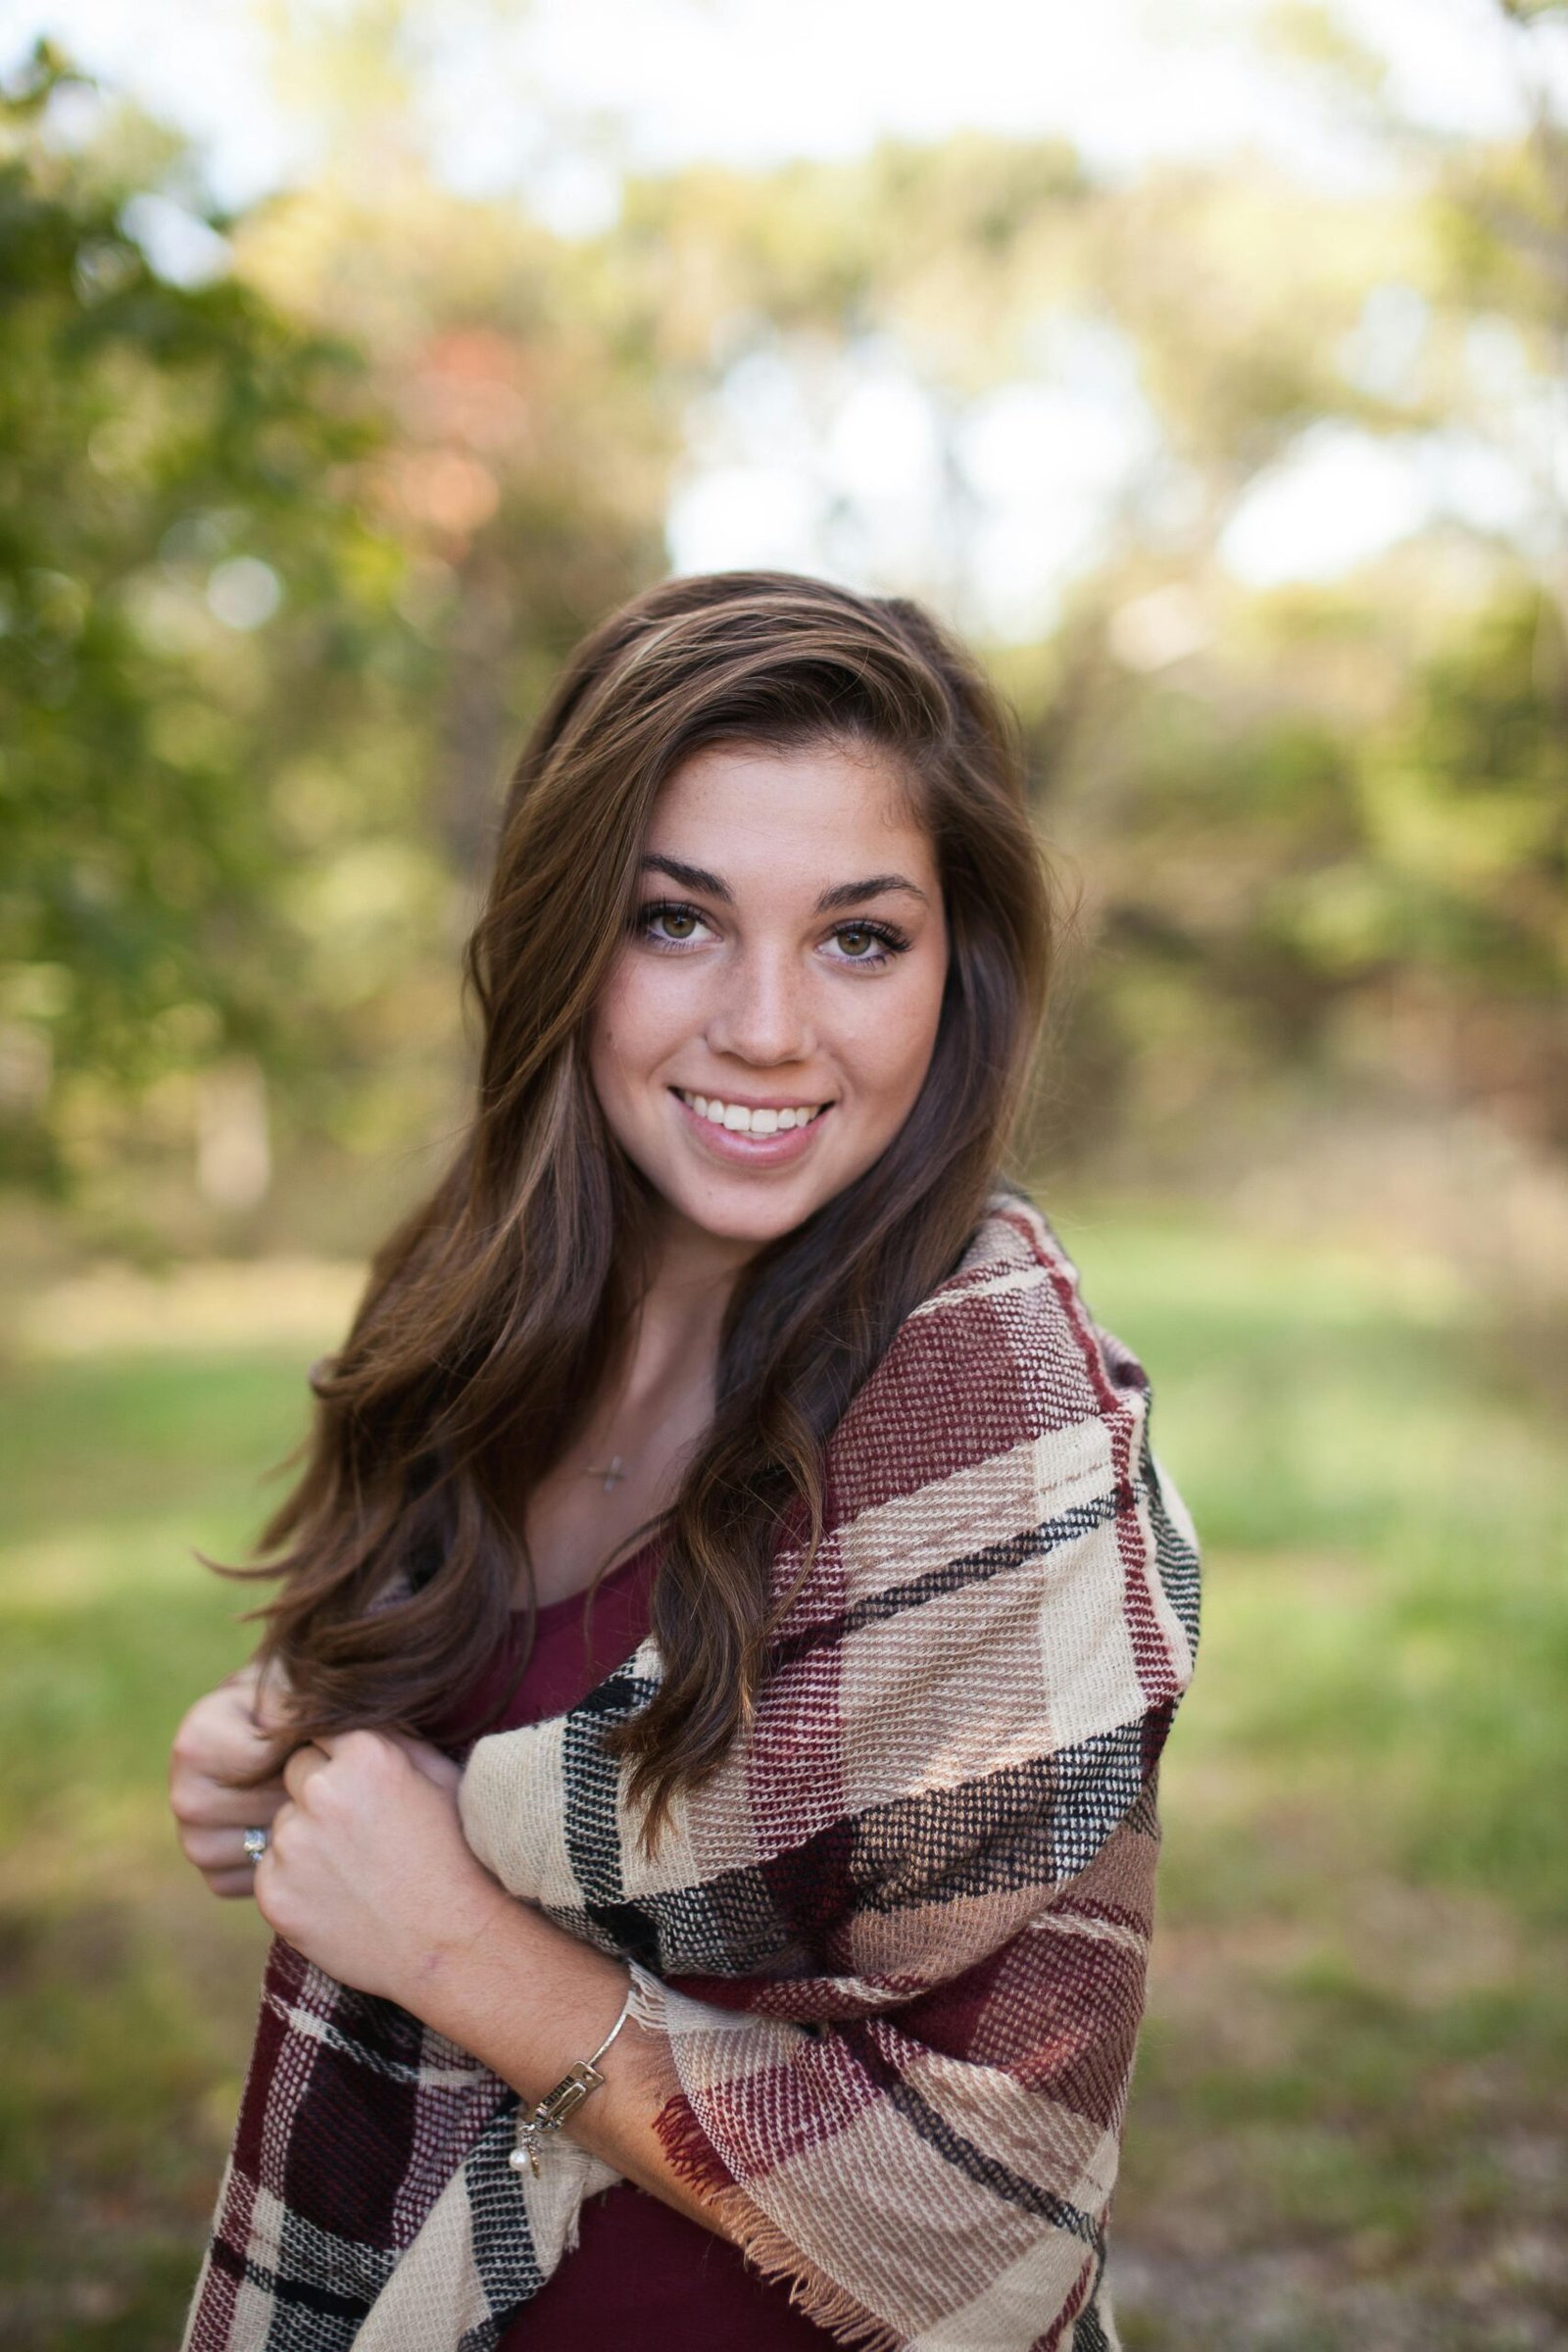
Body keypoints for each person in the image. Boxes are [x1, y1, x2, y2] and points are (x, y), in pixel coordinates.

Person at [170, 569, 1200, 2352]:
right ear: (567, 933)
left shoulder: (1002, 1431)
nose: (767, 1026)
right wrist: (295, 1742)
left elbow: (978, 2225)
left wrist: (448, 1942)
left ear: (956, 977)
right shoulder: (475, 1318)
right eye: (677, 921)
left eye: (859, 939)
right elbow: (465, 1750)